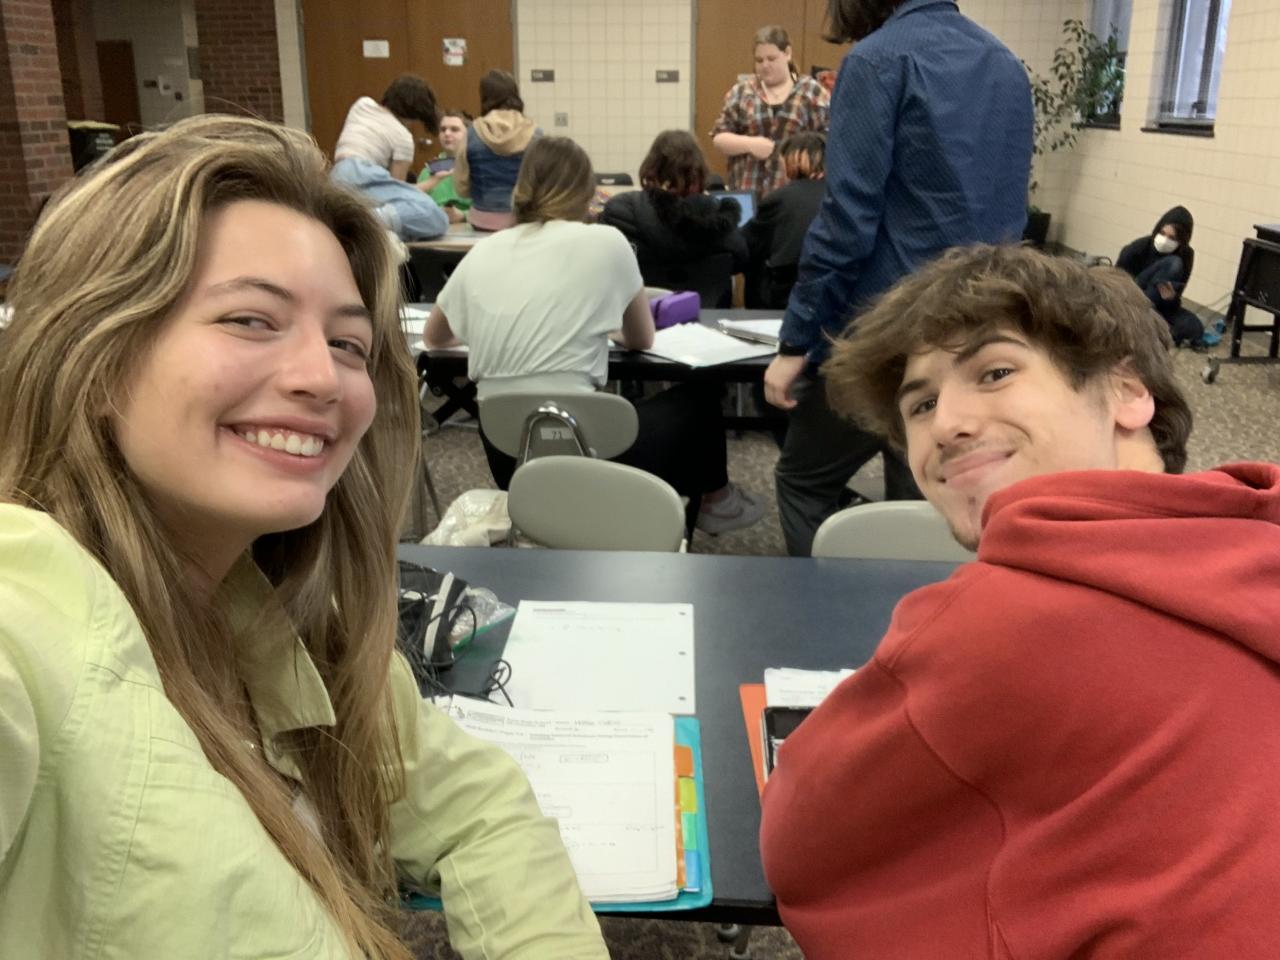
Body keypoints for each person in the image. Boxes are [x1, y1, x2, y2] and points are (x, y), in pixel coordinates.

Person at [0, 115, 607, 959]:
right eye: (251, 320)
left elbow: (481, 806)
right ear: (92, 355)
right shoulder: (27, 620)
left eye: (348, 342)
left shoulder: (289, 622)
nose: (323, 378)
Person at [760, 243, 1280, 958]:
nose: (947, 423)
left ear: (1128, 391)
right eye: (921, 404)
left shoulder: (1002, 620)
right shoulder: (1253, 542)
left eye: (995, 372)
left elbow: (801, 838)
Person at [763, 0, 1034, 556]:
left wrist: (796, 341)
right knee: (927, 496)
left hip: (887, 332)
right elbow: (1011, 209)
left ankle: (824, 606)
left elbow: (846, 221)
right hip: (982, 326)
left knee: (803, 480)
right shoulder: (1005, 63)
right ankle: (924, 609)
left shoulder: (877, 60)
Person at [424, 136, 764, 536]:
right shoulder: (607, 242)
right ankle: (715, 504)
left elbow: (434, 337)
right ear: (586, 191)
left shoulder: (484, 251)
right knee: (698, 401)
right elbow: (641, 339)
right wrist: (605, 328)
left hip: (510, 457)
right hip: (593, 454)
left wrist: (483, 334)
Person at [599, 130, 748, 307]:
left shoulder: (620, 211)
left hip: (643, 317)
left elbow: (605, 264)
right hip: (707, 317)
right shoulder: (720, 215)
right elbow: (740, 261)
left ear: (651, 168)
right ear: (700, 173)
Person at [711, 25, 830, 199]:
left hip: (793, 197)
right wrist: (750, 144)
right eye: (759, 60)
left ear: (787, 53)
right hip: (749, 194)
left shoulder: (812, 92)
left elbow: (829, 141)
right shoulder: (741, 92)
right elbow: (719, 138)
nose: (765, 66)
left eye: (771, 59)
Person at [331, 74, 450, 240]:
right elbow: (398, 190)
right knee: (436, 216)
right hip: (363, 173)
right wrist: (433, 181)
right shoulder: (403, 137)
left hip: (336, 176)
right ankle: (366, 220)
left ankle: (367, 220)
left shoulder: (362, 104)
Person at [743, 131, 827, 309]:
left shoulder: (779, 199)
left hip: (786, 299)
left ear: (790, 162)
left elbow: (745, 246)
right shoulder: (841, 196)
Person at [454, 70, 539, 231]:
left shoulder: (472, 133)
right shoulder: (535, 134)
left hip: (482, 221)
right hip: (523, 221)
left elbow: (461, 188)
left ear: (484, 97)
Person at [1116, 205, 1205, 346]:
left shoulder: (1186, 255)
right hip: (1130, 299)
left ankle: (1145, 327)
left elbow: (1175, 299)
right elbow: (1116, 283)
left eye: (1172, 238)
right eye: (1162, 233)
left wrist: (1171, 298)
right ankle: (1142, 323)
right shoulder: (1138, 247)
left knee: (1194, 327)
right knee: (1173, 263)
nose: (1165, 240)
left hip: (1157, 307)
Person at [417, 108, 474, 217]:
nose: (447, 133)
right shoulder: (428, 171)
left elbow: (491, 210)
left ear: (469, 135)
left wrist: (462, 215)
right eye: (443, 129)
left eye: (454, 129)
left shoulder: (479, 168)